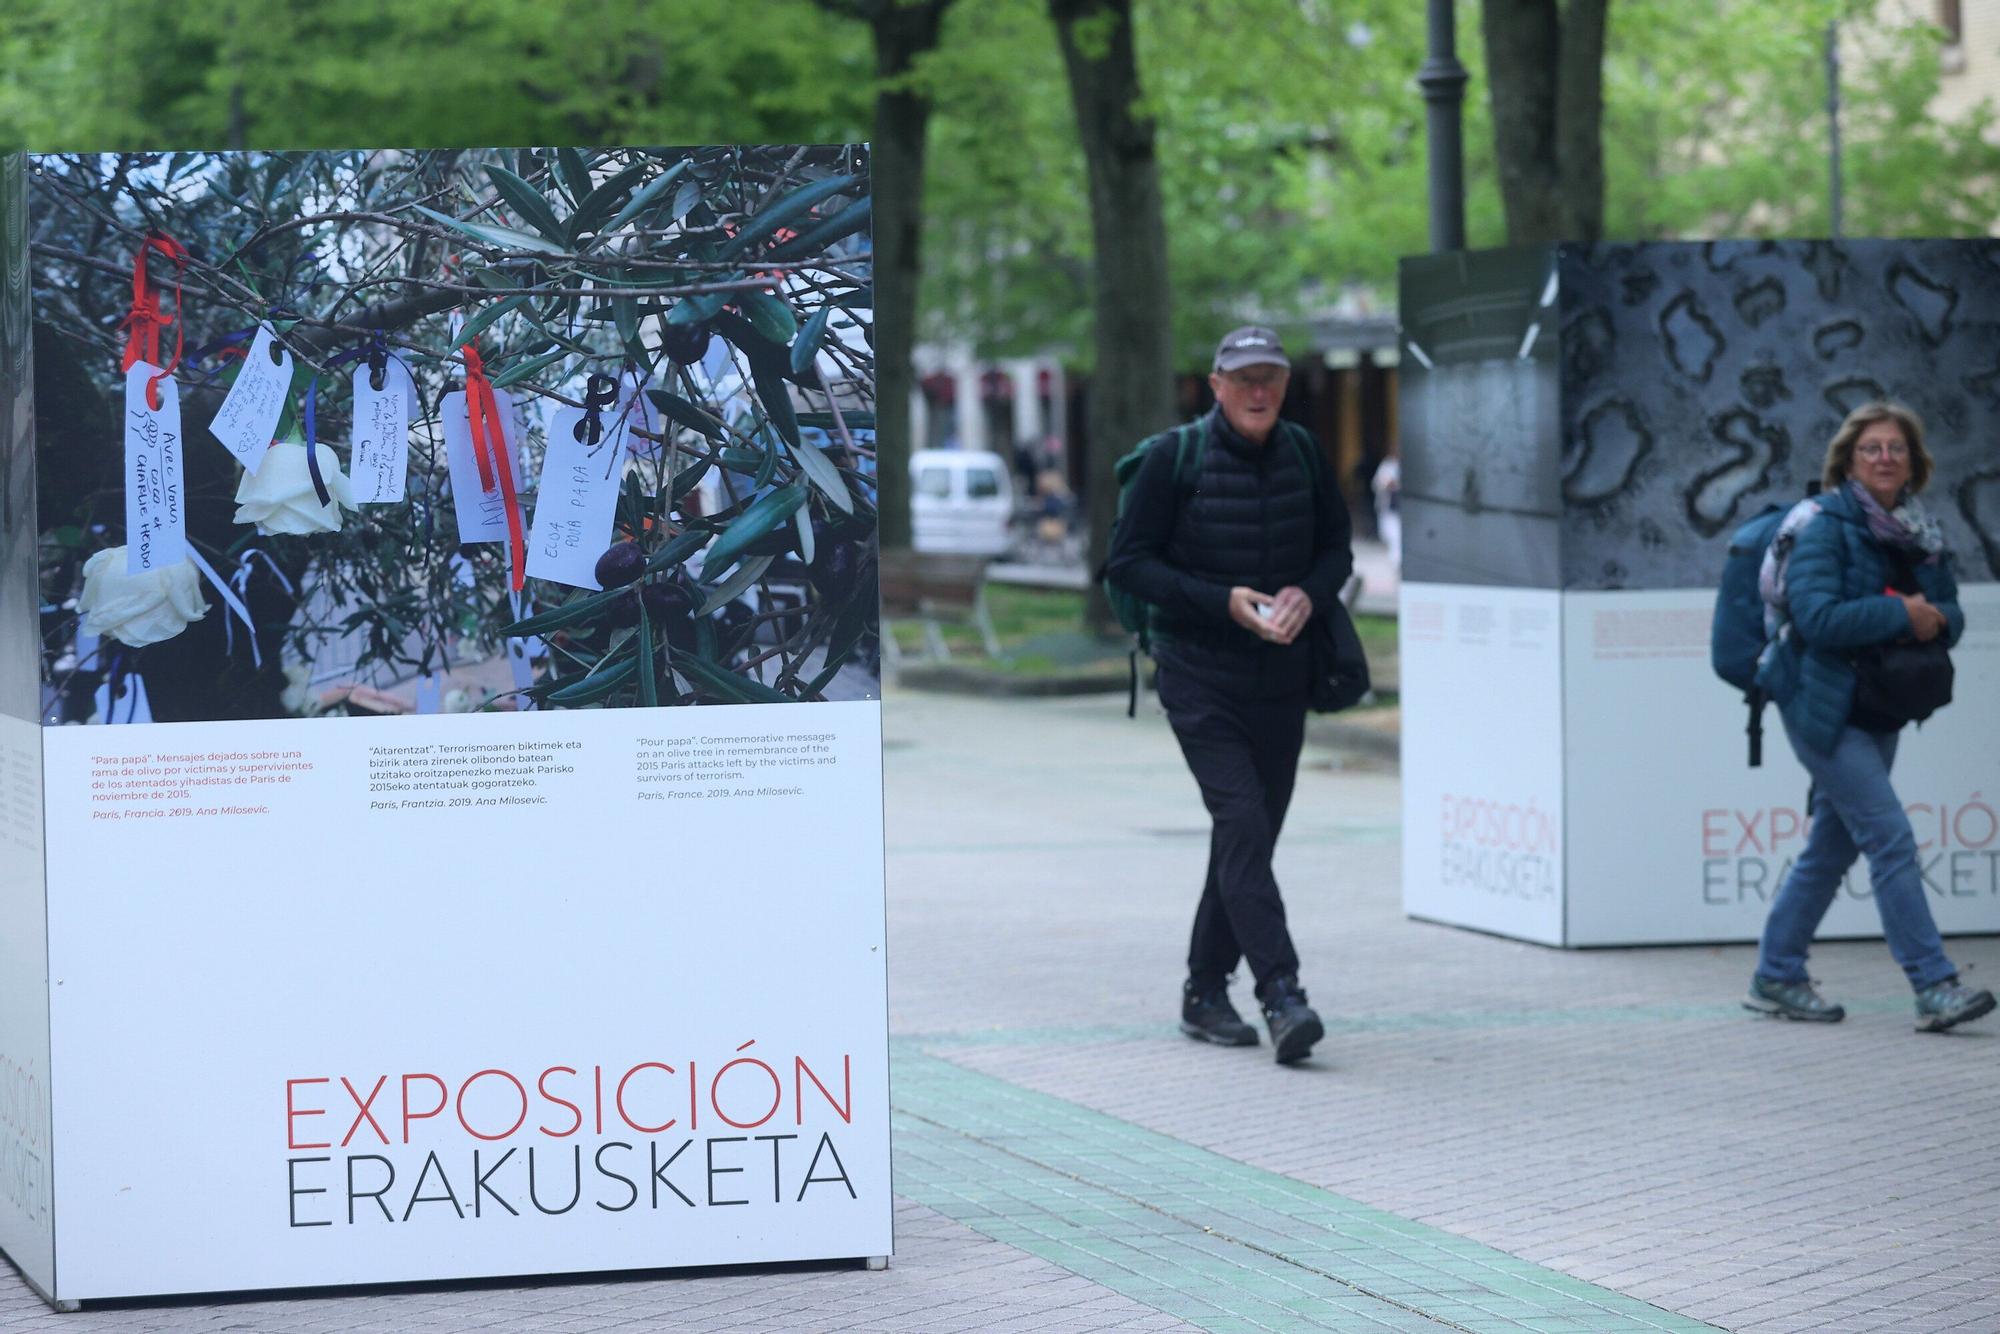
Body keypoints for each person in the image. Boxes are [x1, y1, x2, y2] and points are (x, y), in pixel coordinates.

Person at [1105, 326, 1353, 1064]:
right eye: (1243, 378)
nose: (1257, 392)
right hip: (1198, 675)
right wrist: (1224, 602)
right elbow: (1126, 564)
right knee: (1242, 822)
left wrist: (1308, 595)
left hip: (1282, 680)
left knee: (1247, 839)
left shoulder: (1305, 453)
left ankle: (1203, 990)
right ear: (1214, 385)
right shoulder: (1171, 459)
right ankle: (1282, 993)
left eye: (1270, 378)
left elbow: (1335, 547)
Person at [1747, 402, 1994, 1033]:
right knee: (1889, 837)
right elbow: (1817, 617)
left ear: (1913, 461)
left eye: (1897, 448)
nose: (1886, 458)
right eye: (1872, 449)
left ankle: (1776, 973)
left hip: (1877, 704)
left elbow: (1950, 612)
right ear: (1848, 461)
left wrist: (1934, 617)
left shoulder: (1921, 532)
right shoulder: (1825, 526)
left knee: (1832, 847)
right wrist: (1902, 616)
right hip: (1818, 700)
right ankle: (1933, 984)